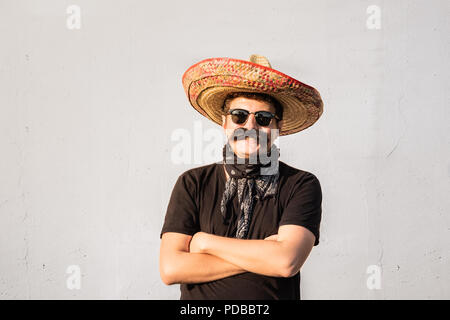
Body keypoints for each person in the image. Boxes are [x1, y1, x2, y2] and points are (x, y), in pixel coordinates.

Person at [159, 54, 324, 300]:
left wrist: (204, 243)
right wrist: (265, 253)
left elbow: (286, 262)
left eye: (263, 119)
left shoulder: (300, 184)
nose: (251, 126)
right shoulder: (193, 183)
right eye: (239, 116)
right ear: (225, 122)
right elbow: (171, 268)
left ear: (277, 129)